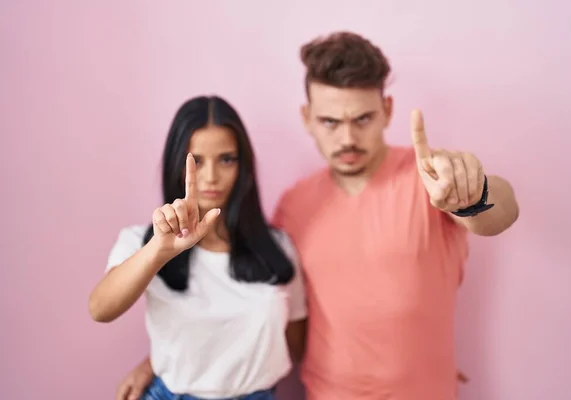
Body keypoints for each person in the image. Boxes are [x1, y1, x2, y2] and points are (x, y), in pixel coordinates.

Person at [117, 31, 520, 400]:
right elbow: (253, 304)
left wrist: (472, 194)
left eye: (362, 118)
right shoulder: (293, 206)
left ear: (387, 109)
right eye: (330, 121)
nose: (347, 138)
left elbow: (499, 212)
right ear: (307, 118)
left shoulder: (432, 180)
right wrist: (156, 363)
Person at [88, 95, 307, 400]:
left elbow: (297, 341)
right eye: (197, 161)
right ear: (177, 163)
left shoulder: (278, 248)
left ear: (243, 165)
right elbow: (100, 309)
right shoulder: (141, 242)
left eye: (226, 159)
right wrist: (158, 251)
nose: (211, 177)